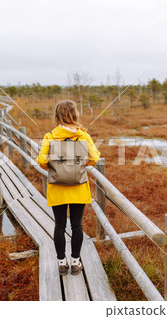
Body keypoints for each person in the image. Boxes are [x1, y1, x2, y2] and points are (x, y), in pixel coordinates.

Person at [37, 100, 100, 275]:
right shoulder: (83, 136)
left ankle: (61, 263)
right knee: (77, 226)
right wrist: (79, 165)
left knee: (59, 225)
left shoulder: (50, 136)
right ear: (74, 115)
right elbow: (95, 158)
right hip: (79, 187)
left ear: (57, 115)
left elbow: (42, 161)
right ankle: (75, 263)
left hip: (57, 187)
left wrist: (57, 167)